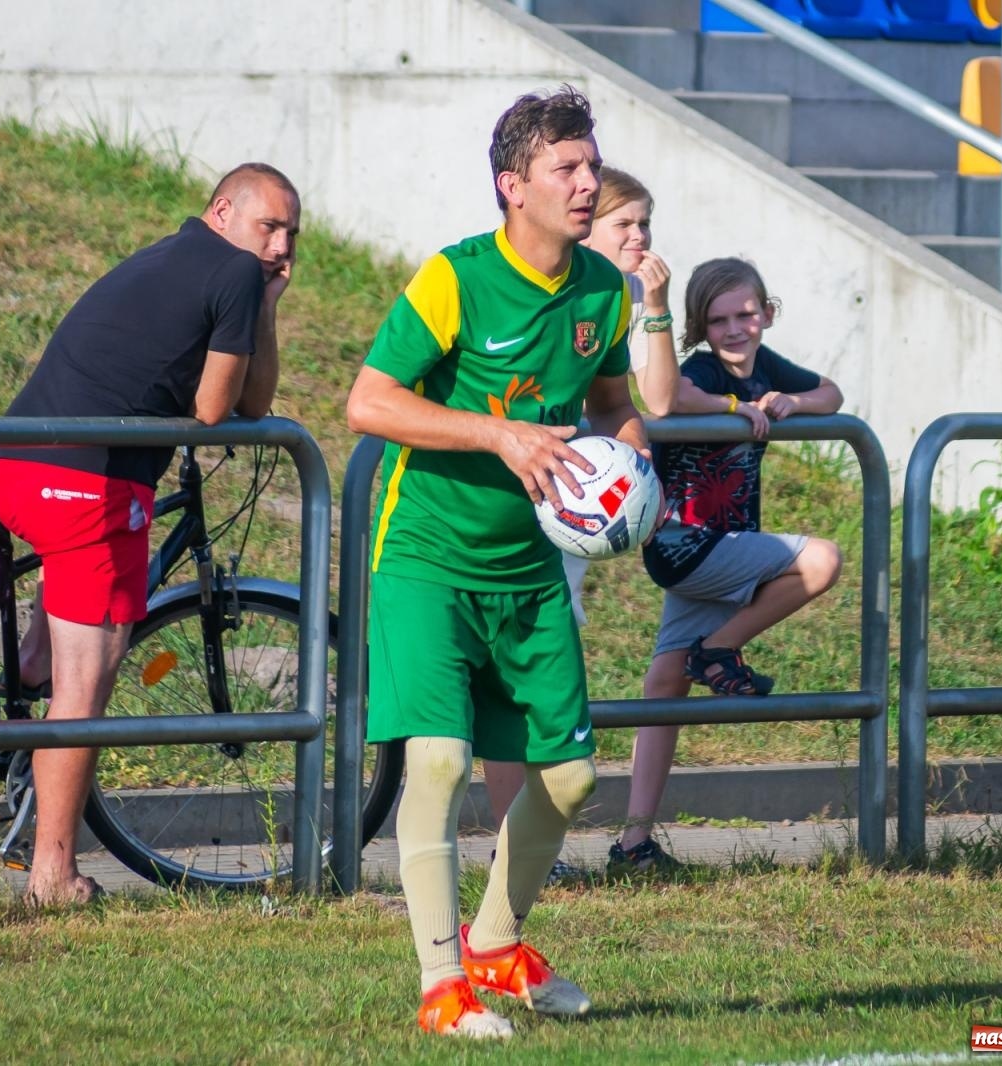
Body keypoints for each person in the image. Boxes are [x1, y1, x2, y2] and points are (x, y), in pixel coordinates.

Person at [346, 86, 649, 1039]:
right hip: (426, 557)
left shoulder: (603, 291)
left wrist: (632, 470)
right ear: (514, 186)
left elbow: (613, 405)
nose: (588, 182)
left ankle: (495, 944)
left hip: (529, 570)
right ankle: (443, 987)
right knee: (438, 760)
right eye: (567, 168)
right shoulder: (456, 278)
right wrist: (498, 434)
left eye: (592, 165)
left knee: (571, 778)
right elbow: (368, 402)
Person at [0, 163, 300, 906]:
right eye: (269, 226)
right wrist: (254, 297)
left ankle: (20, 692)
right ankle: (51, 875)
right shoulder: (231, 271)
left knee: (55, 662)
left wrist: (266, 305)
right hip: (86, 482)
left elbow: (251, 403)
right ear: (222, 212)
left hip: (24, 462)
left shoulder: (178, 254)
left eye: (293, 233)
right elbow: (220, 409)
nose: (282, 246)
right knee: (85, 684)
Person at [610, 256, 844, 871]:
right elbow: (672, 396)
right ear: (700, 328)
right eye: (719, 321)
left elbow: (832, 394)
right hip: (687, 545)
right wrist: (735, 404)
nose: (736, 329)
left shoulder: (767, 367)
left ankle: (633, 843)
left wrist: (791, 400)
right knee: (821, 560)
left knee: (665, 685)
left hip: (717, 549)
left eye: (746, 314)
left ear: (767, 312)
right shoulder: (703, 370)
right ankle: (717, 650)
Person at [482, 166, 678, 854]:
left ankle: (534, 850)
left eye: (645, 224)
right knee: (511, 684)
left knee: (544, 679)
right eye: (625, 223)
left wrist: (658, 305)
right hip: (516, 505)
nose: (640, 236)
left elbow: (650, 402)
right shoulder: (548, 292)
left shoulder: (615, 299)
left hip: (576, 512)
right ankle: (514, 844)